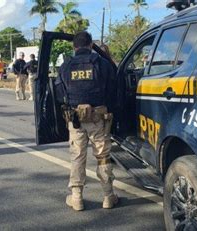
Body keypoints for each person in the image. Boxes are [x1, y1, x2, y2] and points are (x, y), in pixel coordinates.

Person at [54, 31, 118, 211]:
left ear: (74, 47)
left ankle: (77, 198)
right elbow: (113, 90)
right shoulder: (102, 64)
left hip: (75, 120)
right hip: (99, 118)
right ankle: (108, 196)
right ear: (91, 45)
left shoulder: (66, 66)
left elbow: (59, 94)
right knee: (103, 157)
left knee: (77, 157)